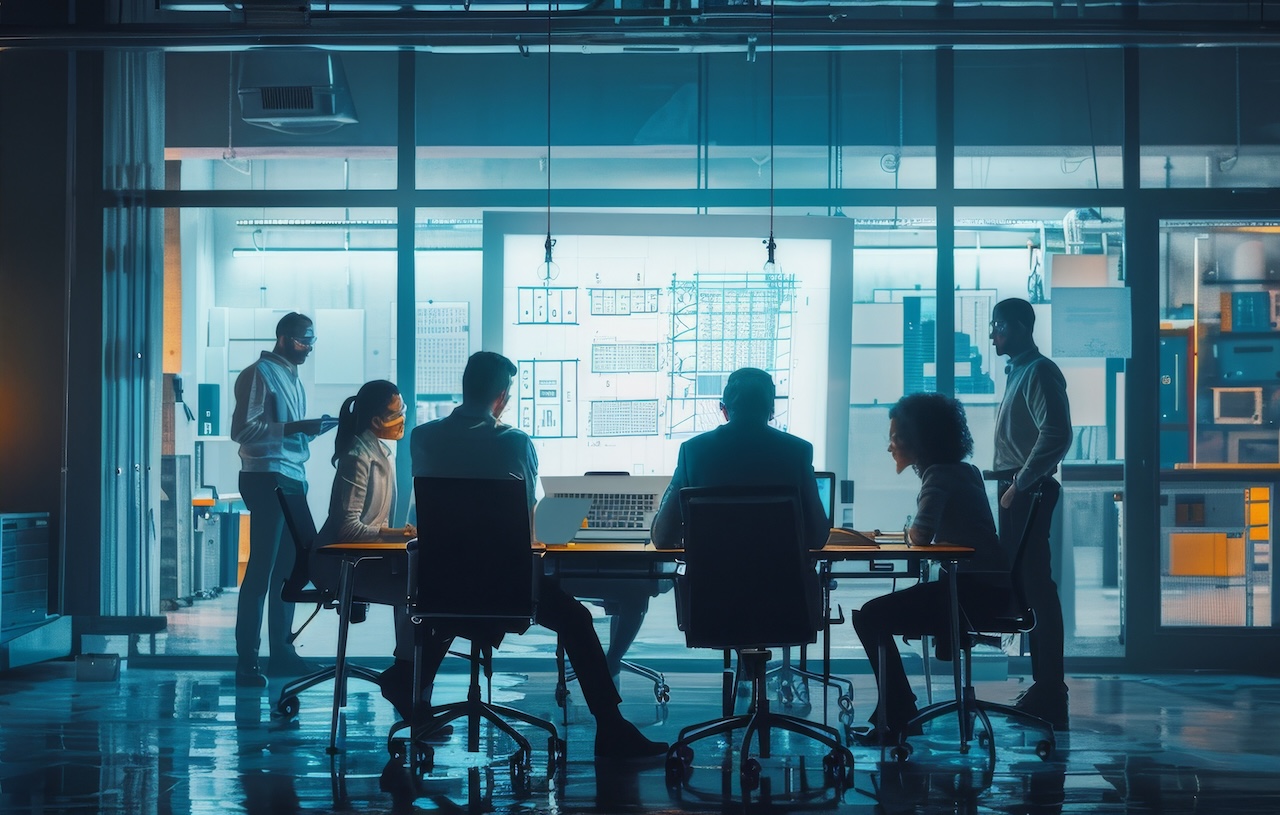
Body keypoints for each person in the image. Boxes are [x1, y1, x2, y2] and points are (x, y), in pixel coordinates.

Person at [386, 350, 666, 760]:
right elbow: (532, 526)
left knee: (448, 613)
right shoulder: (514, 442)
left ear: (466, 387)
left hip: (440, 588)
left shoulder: (423, 437)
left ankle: (408, 682)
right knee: (576, 618)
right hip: (507, 591)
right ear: (502, 396)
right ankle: (611, 728)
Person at [848, 392, 1002, 746]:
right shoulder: (966, 472)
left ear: (920, 438)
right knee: (875, 614)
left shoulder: (938, 476)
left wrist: (907, 531)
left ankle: (900, 712)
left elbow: (920, 535)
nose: (890, 446)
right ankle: (899, 708)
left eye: (896, 436)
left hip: (967, 596)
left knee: (869, 617)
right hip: (986, 590)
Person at [230, 311, 336, 686]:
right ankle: (247, 661)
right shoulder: (260, 373)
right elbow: (242, 430)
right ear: (282, 337)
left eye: (311, 340)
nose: (308, 346)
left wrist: (309, 430)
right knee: (262, 569)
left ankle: (282, 653)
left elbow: (284, 431)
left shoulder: (290, 376)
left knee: (290, 571)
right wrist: (297, 427)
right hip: (267, 475)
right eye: (302, 339)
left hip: (290, 475)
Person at [989, 297, 1073, 730]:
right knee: (1029, 585)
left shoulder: (1039, 371)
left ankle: (1050, 691)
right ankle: (1046, 688)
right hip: (1017, 488)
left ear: (1021, 326)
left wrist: (1019, 485)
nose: (992, 335)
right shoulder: (1018, 372)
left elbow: (1057, 434)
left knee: (1036, 587)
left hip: (1027, 491)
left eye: (999, 326)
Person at [651, 367, 828, 555]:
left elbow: (663, 538)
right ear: (771, 410)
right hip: (783, 582)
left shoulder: (693, 451)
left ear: (724, 409)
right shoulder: (798, 451)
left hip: (711, 583)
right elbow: (817, 537)